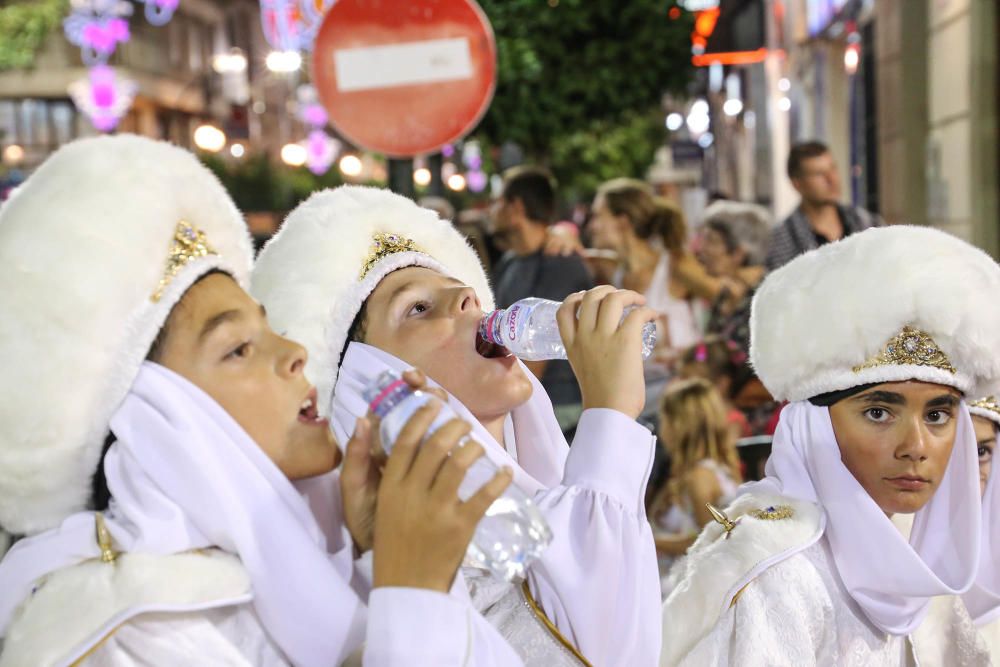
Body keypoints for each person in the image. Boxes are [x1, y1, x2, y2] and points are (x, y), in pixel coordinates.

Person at [0, 136, 522, 666]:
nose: (295, 352)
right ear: (159, 421)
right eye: (239, 348)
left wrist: (385, 561)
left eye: (269, 325)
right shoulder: (118, 634)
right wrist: (413, 591)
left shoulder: (310, 569)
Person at [251, 185, 662, 667]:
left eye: (458, 288)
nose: (468, 297)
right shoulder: (403, 571)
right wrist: (610, 416)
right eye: (418, 309)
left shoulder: (553, 502)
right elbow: (603, 649)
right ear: (373, 387)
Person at [660, 225, 1000, 665]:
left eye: (937, 415)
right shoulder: (777, 575)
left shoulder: (911, 556)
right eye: (879, 412)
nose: (915, 446)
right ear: (813, 428)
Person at [491, 166, 593, 436]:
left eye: (499, 202)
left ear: (516, 208)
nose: (492, 210)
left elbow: (538, 351)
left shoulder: (560, 263)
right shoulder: (510, 261)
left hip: (556, 407)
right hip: (522, 398)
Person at [648, 379, 742, 597]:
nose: (662, 427)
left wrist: (651, 541)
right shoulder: (716, 469)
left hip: (683, 591)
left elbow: (710, 535)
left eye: (665, 418)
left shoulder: (699, 476)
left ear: (680, 424)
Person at [765, 140, 882, 270]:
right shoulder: (781, 240)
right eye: (818, 174)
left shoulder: (868, 223)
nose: (832, 179)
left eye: (833, 168)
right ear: (797, 184)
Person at [696, 201, 771, 357]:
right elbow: (707, 353)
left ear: (739, 252)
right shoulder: (725, 295)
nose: (702, 249)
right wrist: (690, 356)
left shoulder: (768, 298)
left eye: (712, 241)